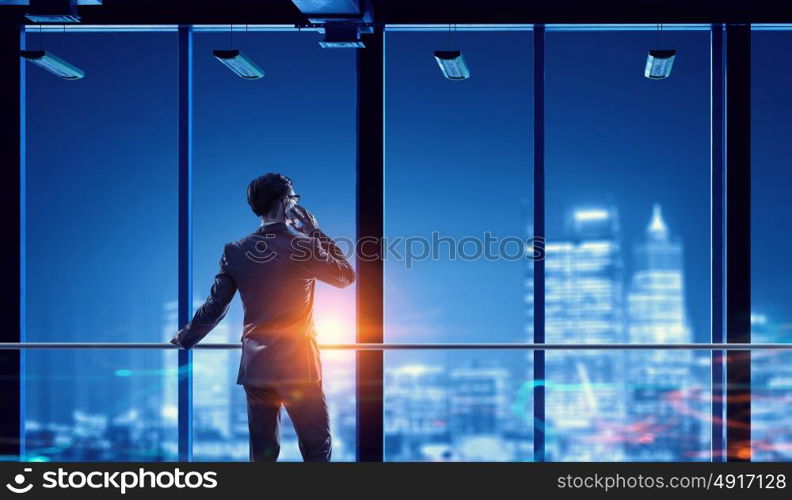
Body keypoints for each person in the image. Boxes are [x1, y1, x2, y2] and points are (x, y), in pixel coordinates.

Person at [170, 172, 355, 462]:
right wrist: (316, 233)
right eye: (293, 198)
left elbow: (215, 307)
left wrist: (186, 338)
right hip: (299, 366)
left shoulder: (235, 251)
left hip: (257, 367)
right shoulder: (304, 247)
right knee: (316, 445)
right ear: (284, 203)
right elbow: (345, 276)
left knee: (263, 454)